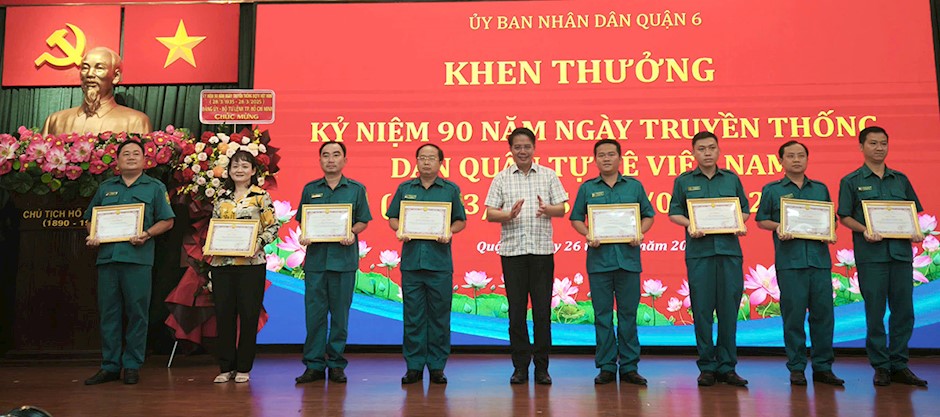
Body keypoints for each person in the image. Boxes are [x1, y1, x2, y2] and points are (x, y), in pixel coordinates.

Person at [837, 126, 927, 387]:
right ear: (861, 147)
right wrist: (864, 229)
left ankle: (899, 364)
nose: (879, 148)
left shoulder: (900, 179)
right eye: (873, 143)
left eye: (883, 143)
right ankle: (881, 366)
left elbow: (911, 213)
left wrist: (915, 231)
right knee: (875, 313)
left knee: (904, 311)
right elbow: (844, 216)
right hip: (871, 256)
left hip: (900, 255)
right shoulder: (851, 181)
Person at [83, 140, 175, 385]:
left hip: (138, 260)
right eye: (126, 154)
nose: (131, 157)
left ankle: (132, 365)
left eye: (136, 153)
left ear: (145, 160)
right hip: (108, 259)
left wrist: (147, 234)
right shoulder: (106, 188)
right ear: (117, 160)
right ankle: (110, 366)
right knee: (109, 313)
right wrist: (93, 234)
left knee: (137, 314)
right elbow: (90, 218)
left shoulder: (154, 187)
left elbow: (167, 221)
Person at [755, 141, 844, 386]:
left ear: (807, 159)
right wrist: (779, 227)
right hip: (790, 262)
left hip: (819, 262)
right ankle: (796, 367)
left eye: (801, 155)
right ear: (781, 161)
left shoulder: (820, 188)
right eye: (791, 156)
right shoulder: (772, 189)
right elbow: (761, 219)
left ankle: (823, 368)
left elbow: (831, 220)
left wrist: (829, 230)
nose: (796, 160)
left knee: (823, 316)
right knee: (793, 317)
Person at [484, 127, 568, 385]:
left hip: (542, 253)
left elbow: (562, 208)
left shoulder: (548, 175)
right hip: (513, 254)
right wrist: (508, 214)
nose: (522, 151)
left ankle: (542, 368)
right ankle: (520, 367)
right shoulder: (501, 178)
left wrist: (548, 209)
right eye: (517, 147)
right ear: (510, 150)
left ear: (534, 148)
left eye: (527, 146)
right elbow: (490, 213)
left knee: (542, 313)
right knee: (516, 313)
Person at [569, 139, 654, 385]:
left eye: (611, 154)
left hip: (628, 261)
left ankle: (629, 366)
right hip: (599, 262)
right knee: (603, 316)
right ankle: (606, 366)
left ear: (620, 158)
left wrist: (640, 232)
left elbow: (648, 215)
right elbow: (576, 218)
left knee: (628, 315)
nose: (606, 158)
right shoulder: (587, 188)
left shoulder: (634, 186)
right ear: (595, 159)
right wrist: (588, 234)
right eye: (601, 155)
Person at [667, 131, 749, 387]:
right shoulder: (684, 181)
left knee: (729, 311)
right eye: (701, 149)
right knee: (702, 311)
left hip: (729, 252)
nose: (707, 153)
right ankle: (707, 367)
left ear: (718, 150)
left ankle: (728, 366)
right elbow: (674, 213)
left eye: (712, 148)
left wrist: (738, 223)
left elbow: (745, 210)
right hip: (699, 253)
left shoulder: (731, 179)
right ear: (693, 153)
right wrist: (690, 224)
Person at [386, 144, 467, 385]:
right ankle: (414, 367)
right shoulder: (405, 188)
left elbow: (460, 221)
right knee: (413, 317)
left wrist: (449, 231)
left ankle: (437, 367)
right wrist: (400, 229)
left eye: (431, 158)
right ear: (417, 161)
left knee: (439, 318)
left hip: (439, 264)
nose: (426, 162)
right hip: (412, 264)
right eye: (422, 158)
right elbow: (393, 218)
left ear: (440, 163)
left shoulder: (450, 190)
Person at [294, 141, 371, 384]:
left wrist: (352, 232)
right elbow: (303, 220)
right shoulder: (310, 189)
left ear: (344, 160)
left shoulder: (356, 189)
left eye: (336, 155)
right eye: (326, 155)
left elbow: (363, 220)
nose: (330, 159)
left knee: (340, 316)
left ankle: (336, 364)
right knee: (314, 316)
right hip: (316, 263)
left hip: (343, 262)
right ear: (320, 160)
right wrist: (305, 234)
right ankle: (314, 365)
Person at [206, 150, 279, 384]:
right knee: (224, 315)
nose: (240, 170)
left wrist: (256, 243)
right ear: (228, 171)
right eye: (235, 166)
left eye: (245, 166)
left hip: (251, 265)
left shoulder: (261, 197)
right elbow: (214, 227)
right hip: (222, 264)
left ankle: (244, 367)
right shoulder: (221, 198)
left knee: (248, 315)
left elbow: (273, 228)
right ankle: (225, 367)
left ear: (253, 171)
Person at [42, 47, 152, 136]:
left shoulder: (135, 122)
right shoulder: (55, 121)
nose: (89, 74)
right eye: (85, 68)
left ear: (116, 76)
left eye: (99, 68)